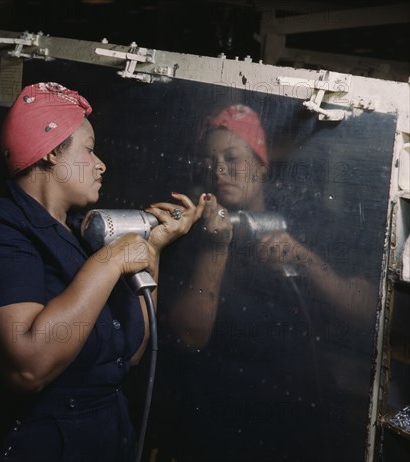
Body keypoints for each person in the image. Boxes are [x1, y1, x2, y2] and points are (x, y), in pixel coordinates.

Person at [0, 82, 207, 462]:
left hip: (107, 436)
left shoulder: (78, 234)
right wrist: (110, 262)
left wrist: (151, 248)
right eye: (88, 151)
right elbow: (27, 367)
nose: (101, 163)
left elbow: (134, 353)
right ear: (52, 153)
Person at [153, 104, 376, 461]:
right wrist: (215, 246)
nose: (220, 169)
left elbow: (366, 313)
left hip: (297, 417)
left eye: (232, 157)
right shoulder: (190, 233)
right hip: (215, 419)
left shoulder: (307, 220)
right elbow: (188, 336)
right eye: (209, 160)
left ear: (260, 164)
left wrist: (304, 258)